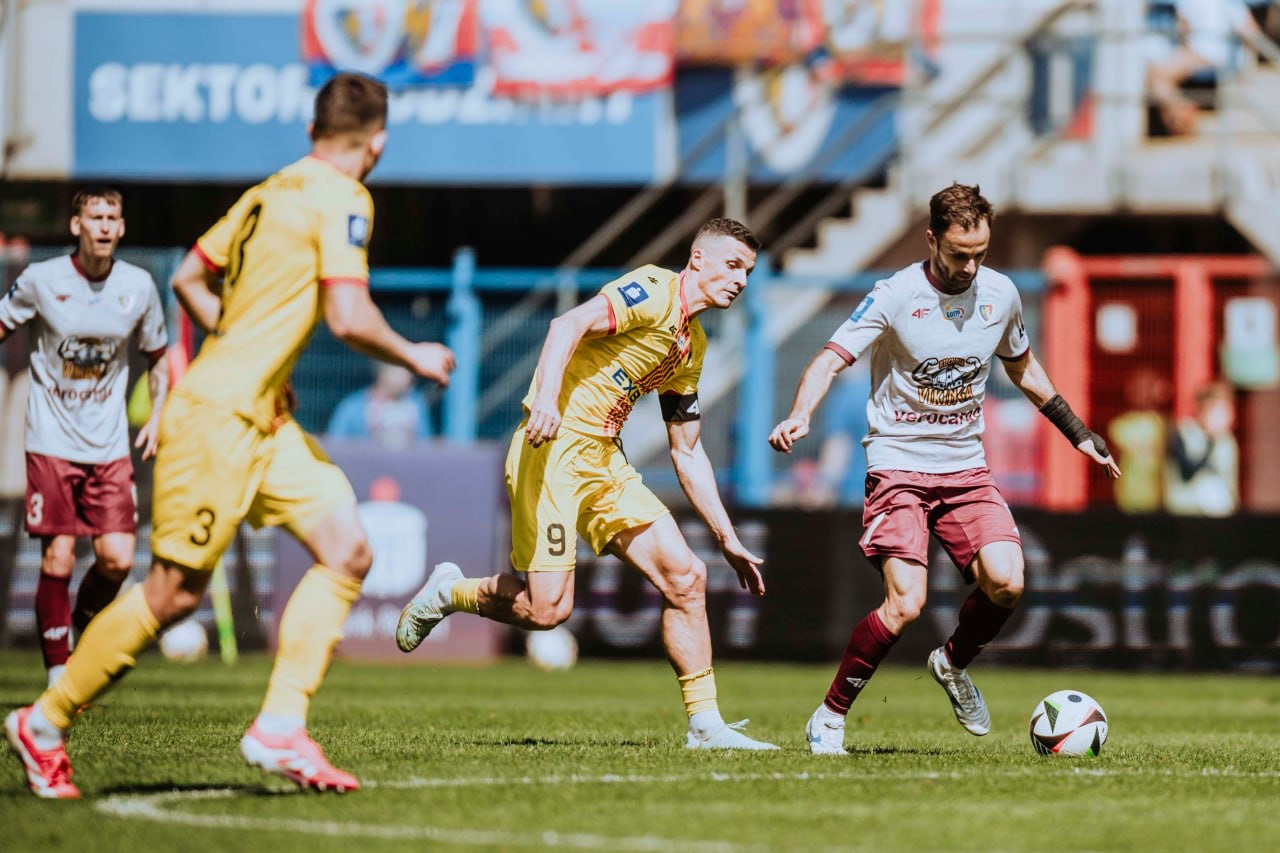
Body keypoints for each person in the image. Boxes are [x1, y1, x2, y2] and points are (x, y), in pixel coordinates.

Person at [4, 72, 455, 799]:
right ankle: (44, 723)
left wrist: (247, 348)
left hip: (262, 418)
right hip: (217, 418)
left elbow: (190, 277)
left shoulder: (265, 192)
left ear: (312, 130)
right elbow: (347, 316)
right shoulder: (345, 196)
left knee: (349, 549)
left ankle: (280, 725)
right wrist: (415, 355)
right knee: (173, 594)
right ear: (377, 142)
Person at [397, 218, 777, 751]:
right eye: (732, 265)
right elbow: (566, 325)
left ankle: (706, 727)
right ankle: (449, 591)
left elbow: (687, 450)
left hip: (603, 460)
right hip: (551, 449)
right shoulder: (653, 290)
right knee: (548, 610)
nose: (740, 280)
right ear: (697, 259)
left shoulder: (691, 346)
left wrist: (726, 536)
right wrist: (547, 399)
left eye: (748, 272)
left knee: (686, 578)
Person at [768, 184, 1120, 755]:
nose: (971, 266)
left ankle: (951, 663)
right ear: (932, 240)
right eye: (959, 254)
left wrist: (1077, 431)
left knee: (1007, 581)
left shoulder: (1001, 294)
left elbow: (1022, 367)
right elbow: (829, 359)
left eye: (980, 253)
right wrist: (800, 414)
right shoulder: (894, 295)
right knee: (906, 603)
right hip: (899, 465)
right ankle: (829, 716)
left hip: (965, 468)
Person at [0, 189, 169, 689]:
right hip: (51, 441)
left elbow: (158, 358)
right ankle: (59, 674)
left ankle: (76, 630)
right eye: (95, 217)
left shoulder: (138, 286)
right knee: (59, 556)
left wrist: (158, 414)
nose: (105, 226)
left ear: (122, 227)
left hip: (109, 446)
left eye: (113, 217)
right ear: (76, 226)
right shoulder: (41, 280)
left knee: (118, 558)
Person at [1146, 0, 1257, 134]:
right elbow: (1250, 30)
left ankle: (1181, 118)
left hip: (1205, 53)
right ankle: (1179, 116)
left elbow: (1183, 28)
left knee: (1158, 76)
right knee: (1158, 75)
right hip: (1221, 55)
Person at [1165, 380, 1238, 516]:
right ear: (1203, 410)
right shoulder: (1184, 433)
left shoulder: (1227, 442)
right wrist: (1211, 442)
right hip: (1186, 512)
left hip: (1219, 516)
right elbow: (1187, 471)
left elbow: (1230, 483)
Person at [327, 362, 434, 448]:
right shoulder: (352, 407)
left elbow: (426, 445)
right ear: (383, 372)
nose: (408, 378)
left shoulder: (416, 405)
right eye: (400, 371)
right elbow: (335, 444)